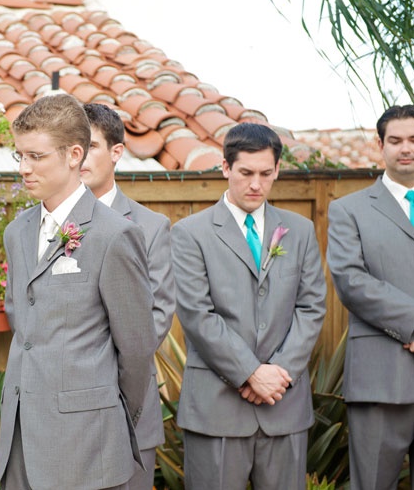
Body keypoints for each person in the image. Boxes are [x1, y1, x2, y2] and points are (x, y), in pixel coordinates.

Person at [0, 94, 157, 490]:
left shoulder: (115, 235)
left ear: (74, 155)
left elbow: (136, 348)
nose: (24, 168)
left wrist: (105, 415)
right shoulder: (16, 232)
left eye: (36, 156)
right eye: (20, 156)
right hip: (19, 440)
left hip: (87, 444)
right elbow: (22, 322)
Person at [171, 122, 326, 489]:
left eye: (265, 174)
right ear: (226, 168)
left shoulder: (300, 230)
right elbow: (197, 314)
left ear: (277, 170)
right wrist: (251, 373)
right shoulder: (190, 233)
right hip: (216, 408)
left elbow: (312, 307)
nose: (256, 184)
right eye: (246, 173)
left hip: (284, 404)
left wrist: (279, 372)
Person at [81, 102, 175, 490]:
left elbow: (157, 314)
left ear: (116, 151)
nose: (78, 157)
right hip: (60, 416)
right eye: (70, 146)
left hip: (128, 405)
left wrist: (94, 368)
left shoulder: (150, 227)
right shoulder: (42, 225)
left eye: (89, 146)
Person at [326, 105, 414, 490]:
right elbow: (350, 280)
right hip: (381, 378)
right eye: (396, 140)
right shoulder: (349, 210)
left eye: (413, 140)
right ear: (380, 145)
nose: (406, 148)